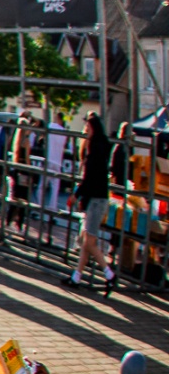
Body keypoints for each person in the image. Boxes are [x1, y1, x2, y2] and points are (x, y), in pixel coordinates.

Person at [68, 111, 116, 292]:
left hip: (96, 200)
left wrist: (76, 195)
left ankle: (109, 274)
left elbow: (88, 179)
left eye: (87, 127)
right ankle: (76, 277)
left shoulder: (95, 152)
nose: (85, 130)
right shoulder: (100, 149)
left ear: (93, 129)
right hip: (97, 200)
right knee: (85, 241)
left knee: (89, 243)